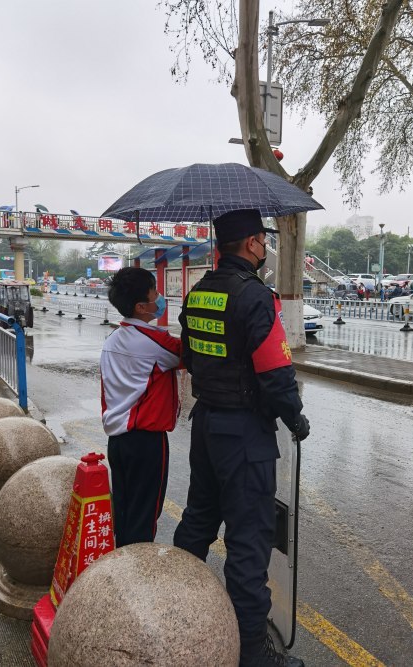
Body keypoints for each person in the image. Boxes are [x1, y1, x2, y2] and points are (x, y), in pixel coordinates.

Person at [174, 209, 309, 667]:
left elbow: (189, 357)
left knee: (197, 522)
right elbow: (276, 373)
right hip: (245, 433)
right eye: (263, 242)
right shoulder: (255, 297)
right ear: (252, 244)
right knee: (249, 542)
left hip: (207, 424)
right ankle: (252, 654)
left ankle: (173, 612)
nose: (264, 249)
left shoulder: (198, 294)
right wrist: (295, 417)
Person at [100, 267, 182, 548]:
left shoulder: (112, 340)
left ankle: (120, 564)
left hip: (118, 441)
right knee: (145, 516)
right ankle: (136, 579)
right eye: (155, 293)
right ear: (141, 306)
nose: (160, 298)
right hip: (147, 442)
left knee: (123, 511)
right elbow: (191, 354)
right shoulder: (156, 342)